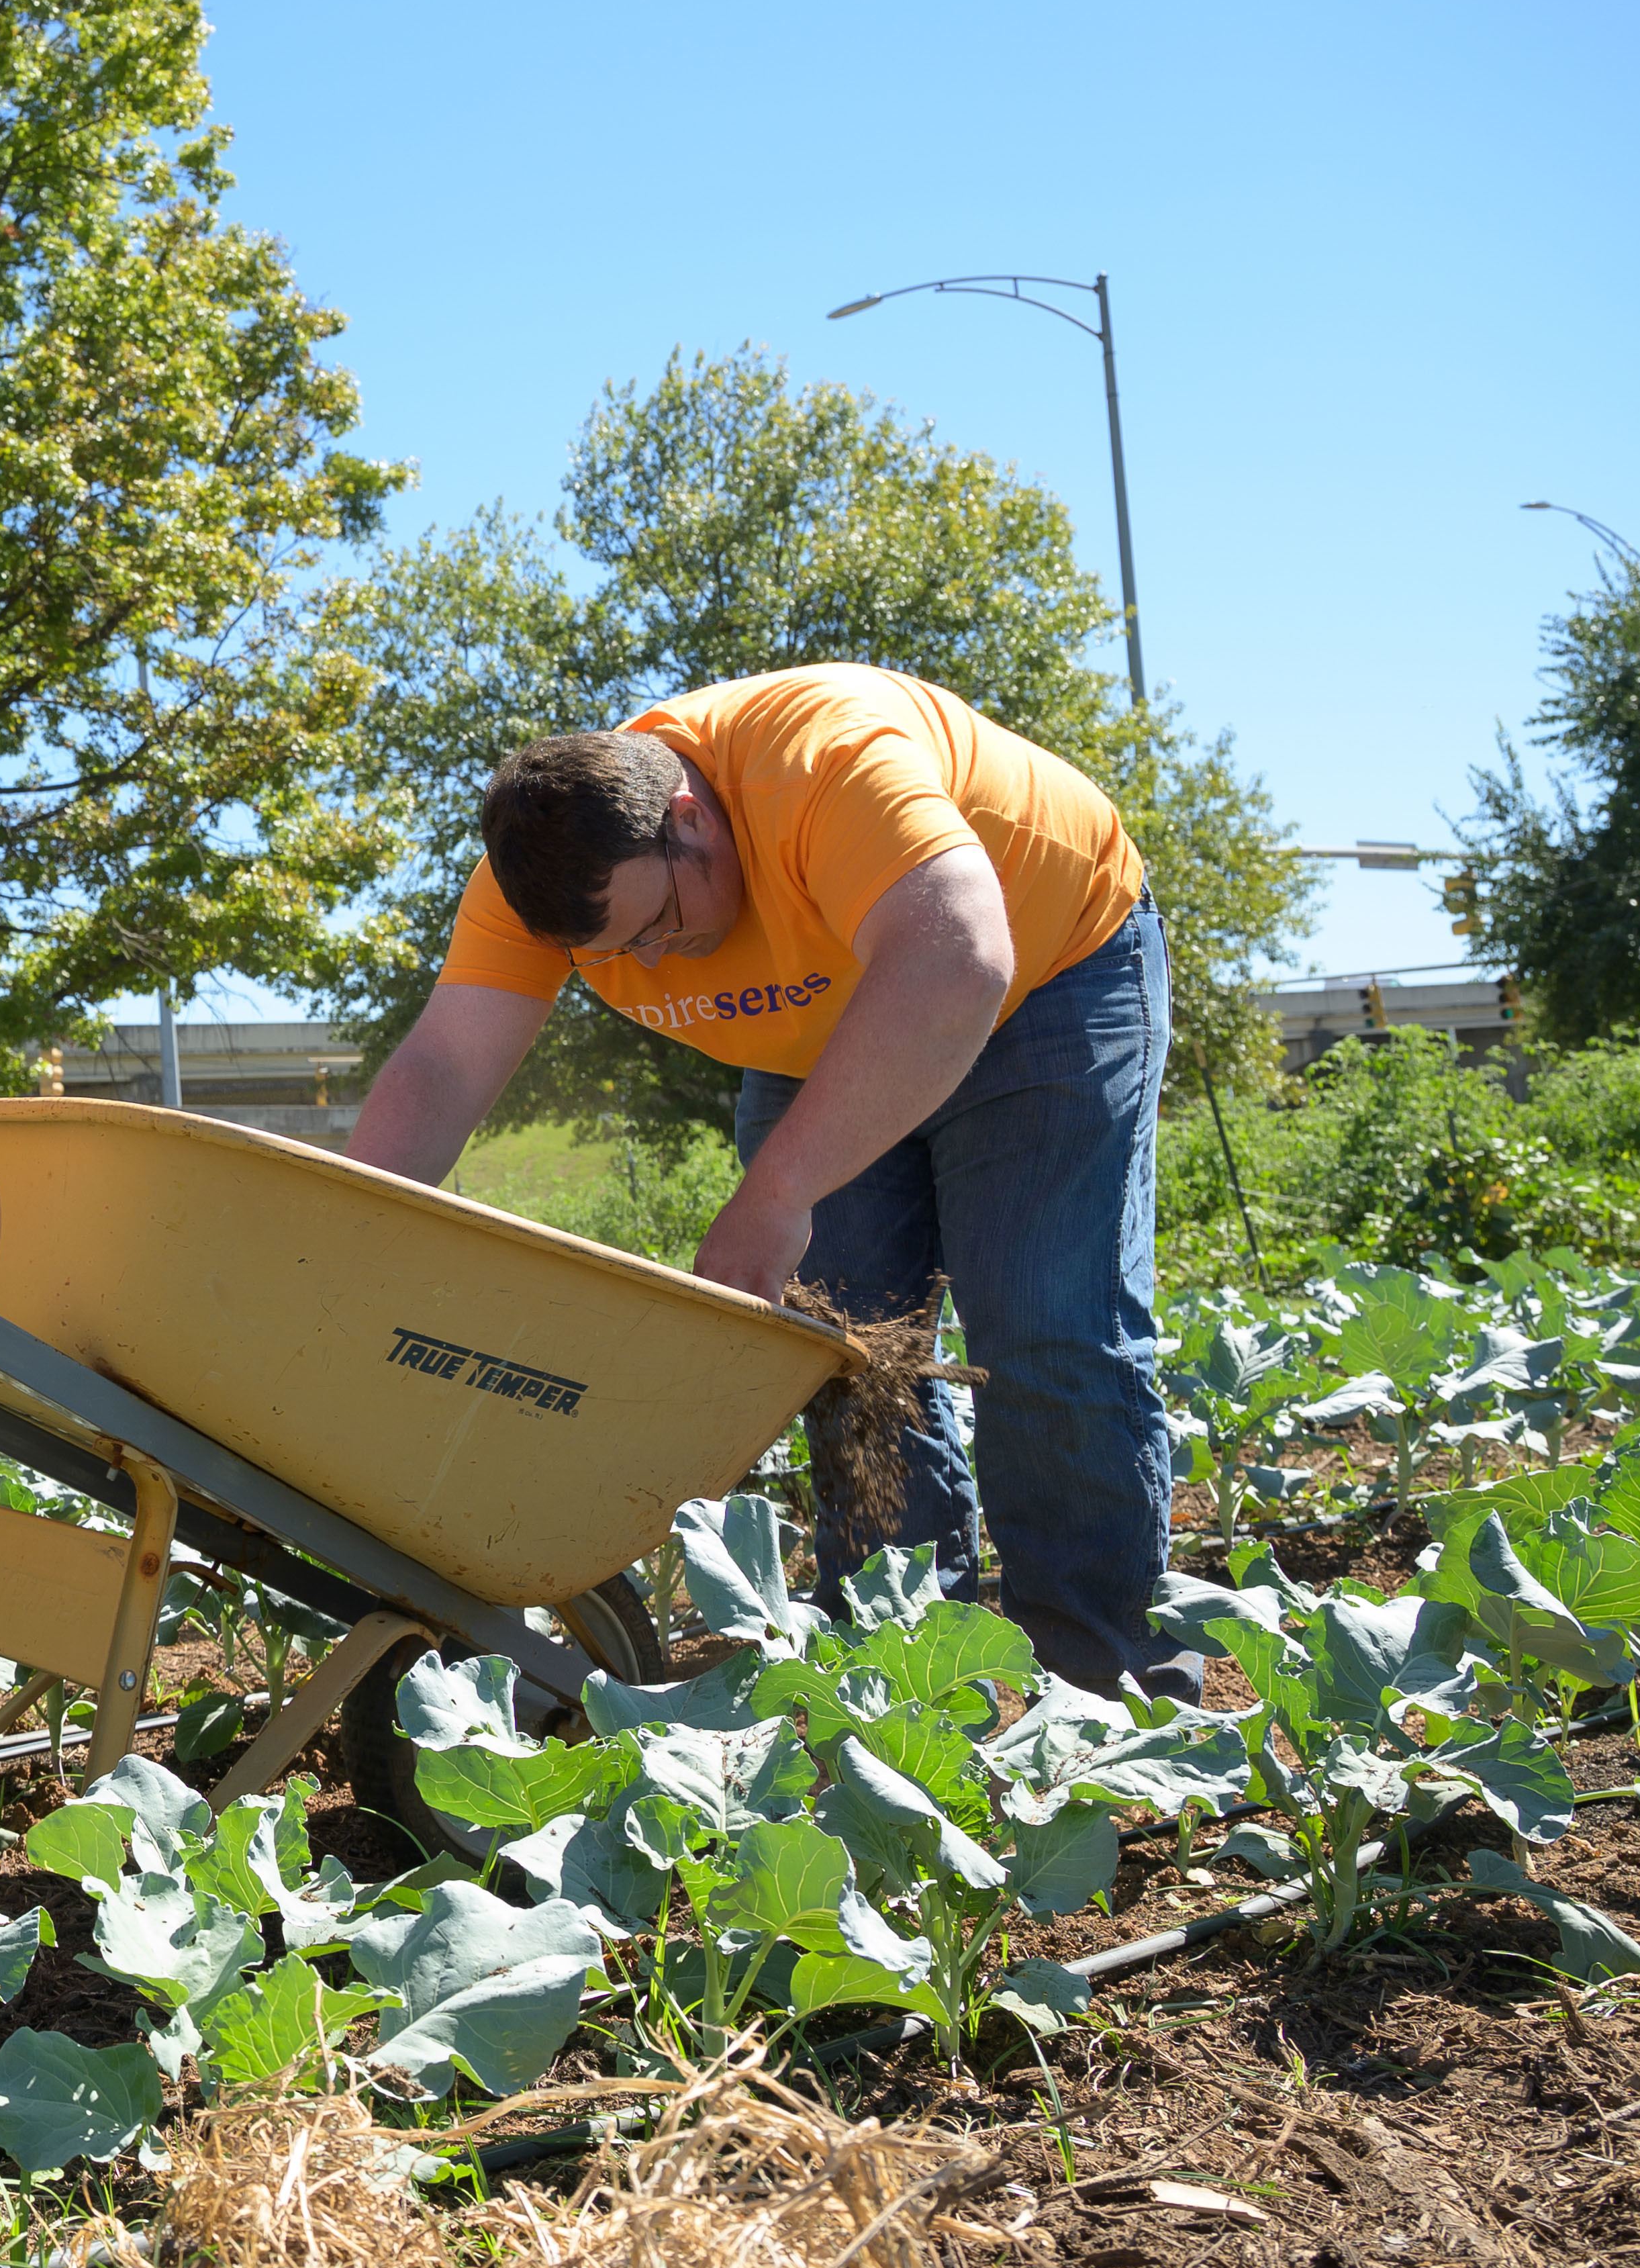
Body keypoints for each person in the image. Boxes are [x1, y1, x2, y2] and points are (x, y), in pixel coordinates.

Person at [346, 663, 1188, 1701]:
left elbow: (959, 959)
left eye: (656, 926)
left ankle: (1102, 1695)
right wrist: (338, 1239)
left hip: (1045, 981)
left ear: (690, 818)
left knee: (1049, 1332)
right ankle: (911, 1687)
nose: (652, 962)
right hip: (830, 1034)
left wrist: (778, 1192)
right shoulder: (551, 878)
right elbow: (443, 1069)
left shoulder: (823, 764)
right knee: (846, 1360)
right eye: (617, 956)